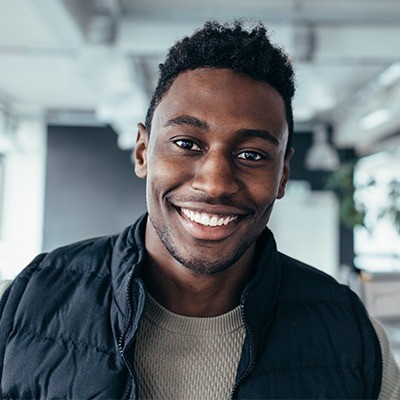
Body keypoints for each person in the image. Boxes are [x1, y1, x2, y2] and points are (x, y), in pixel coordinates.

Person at [0, 20, 399, 399]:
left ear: (283, 175)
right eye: (187, 144)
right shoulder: (23, 305)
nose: (215, 183)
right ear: (143, 152)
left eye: (251, 154)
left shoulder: (353, 338)